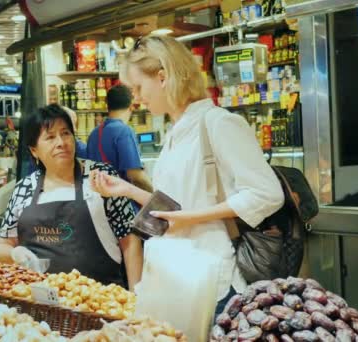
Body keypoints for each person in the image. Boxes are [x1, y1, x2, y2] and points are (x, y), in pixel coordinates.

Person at [90, 35, 285, 315]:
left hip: (214, 281)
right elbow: (176, 207)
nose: (136, 98)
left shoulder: (219, 124)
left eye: (138, 87)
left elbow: (267, 193)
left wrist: (190, 218)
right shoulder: (175, 132)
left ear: (163, 77)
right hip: (179, 278)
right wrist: (127, 190)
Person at [0, 104, 143, 290]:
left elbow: (130, 240)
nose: (61, 142)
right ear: (34, 150)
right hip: (38, 304)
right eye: (50, 137)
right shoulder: (24, 188)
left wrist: (136, 297)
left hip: (100, 303)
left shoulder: (100, 177)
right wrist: (15, 254)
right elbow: (2, 246)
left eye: (65, 133)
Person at [87, 84, 152, 193]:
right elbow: (135, 175)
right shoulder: (124, 131)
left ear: (107, 106)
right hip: (121, 202)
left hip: (100, 201)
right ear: (131, 106)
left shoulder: (94, 133)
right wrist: (156, 194)